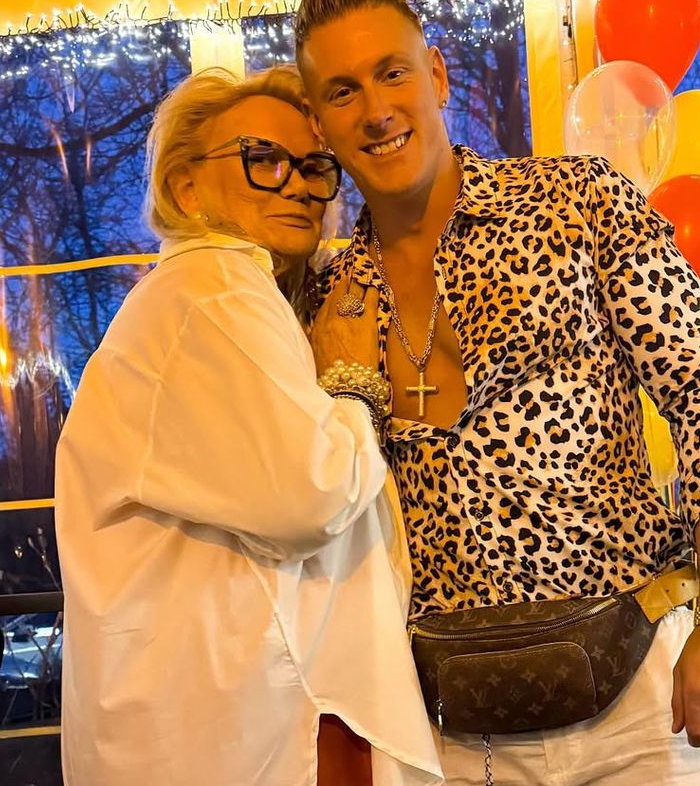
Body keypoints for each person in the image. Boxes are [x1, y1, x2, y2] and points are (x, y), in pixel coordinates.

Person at [296, 0, 700, 785]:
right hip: (458, 731)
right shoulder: (331, 297)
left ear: (437, 74)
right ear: (317, 120)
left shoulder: (577, 200)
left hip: (644, 700)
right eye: (342, 92)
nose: (375, 110)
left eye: (392, 73)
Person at [55, 65, 442, 786]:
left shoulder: (191, 298)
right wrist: (355, 386)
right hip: (251, 720)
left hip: (209, 716)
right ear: (186, 188)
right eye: (262, 159)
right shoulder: (217, 289)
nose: (297, 185)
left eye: (315, 167)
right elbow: (309, 496)